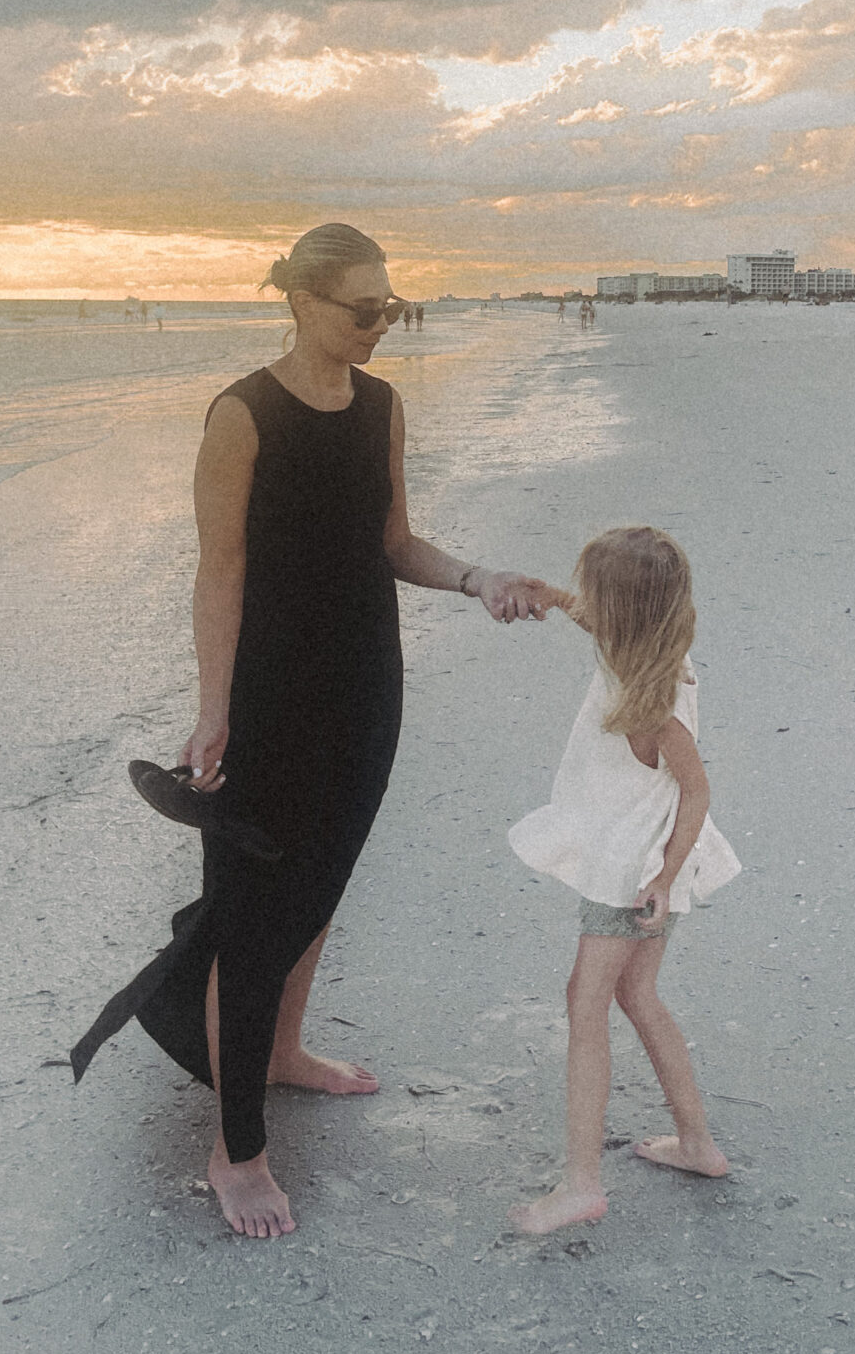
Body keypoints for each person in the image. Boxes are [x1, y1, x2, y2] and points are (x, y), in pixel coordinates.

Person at [72, 223, 558, 1239]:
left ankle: (284, 1053)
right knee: (251, 917)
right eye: (365, 308)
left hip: (366, 689)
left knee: (320, 888)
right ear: (302, 302)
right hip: (271, 697)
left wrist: (477, 579)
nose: (384, 322)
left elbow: (392, 543)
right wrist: (215, 709)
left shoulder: (381, 406)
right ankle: (234, 1149)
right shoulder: (242, 417)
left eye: (389, 303)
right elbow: (219, 571)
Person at [506, 528, 740, 1233]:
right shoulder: (647, 655)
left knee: (587, 1005)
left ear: (624, 615)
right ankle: (697, 1144)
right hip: (641, 861)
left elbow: (697, 791)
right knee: (638, 994)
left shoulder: (653, 700)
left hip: (632, 871)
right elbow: (602, 619)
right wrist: (552, 598)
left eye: (595, 601)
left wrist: (666, 877)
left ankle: (581, 1184)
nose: (587, 612)